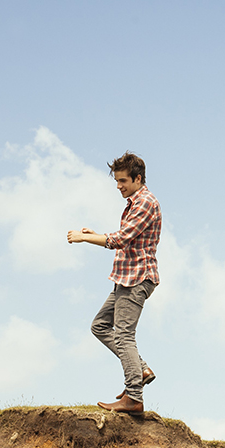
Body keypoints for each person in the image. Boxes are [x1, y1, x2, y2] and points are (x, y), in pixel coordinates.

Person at [67, 152, 161, 415]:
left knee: (123, 335)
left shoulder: (145, 202)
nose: (118, 186)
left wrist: (86, 238)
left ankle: (133, 397)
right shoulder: (134, 202)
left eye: (122, 181)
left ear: (137, 178)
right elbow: (123, 237)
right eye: (117, 181)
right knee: (99, 326)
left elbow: (121, 239)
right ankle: (139, 368)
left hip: (137, 278)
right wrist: (94, 234)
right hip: (125, 278)